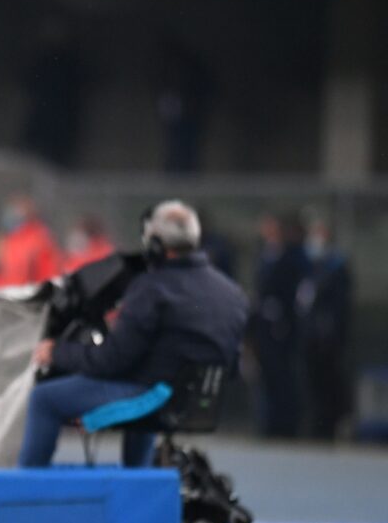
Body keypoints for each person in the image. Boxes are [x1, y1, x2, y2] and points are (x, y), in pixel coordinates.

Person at [18, 200, 248, 467]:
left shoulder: (151, 288)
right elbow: (231, 363)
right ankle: (138, 476)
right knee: (150, 382)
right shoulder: (232, 292)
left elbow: (111, 361)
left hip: (155, 399)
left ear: (156, 245)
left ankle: (26, 485)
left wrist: (58, 352)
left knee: (45, 399)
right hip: (198, 403)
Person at [252, 212, 310, 438]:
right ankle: (270, 422)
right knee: (268, 377)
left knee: (283, 377)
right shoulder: (265, 255)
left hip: (283, 326)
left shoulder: (290, 257)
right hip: (266, 326)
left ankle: (285, 424)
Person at [297, 216, 353, 440]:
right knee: (313, 384)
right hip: (310, 338)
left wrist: (330, 332)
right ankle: (317, 425)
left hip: (328, 341)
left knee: (329, 385)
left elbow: (339, 307)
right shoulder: (310, 267)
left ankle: (329, 425)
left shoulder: (336, 267)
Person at [0, 193, 63, 288]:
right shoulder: (9, 240)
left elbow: (46, 275)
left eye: (17, 207)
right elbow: (6, 275)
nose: (12, 212)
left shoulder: (38, 238)